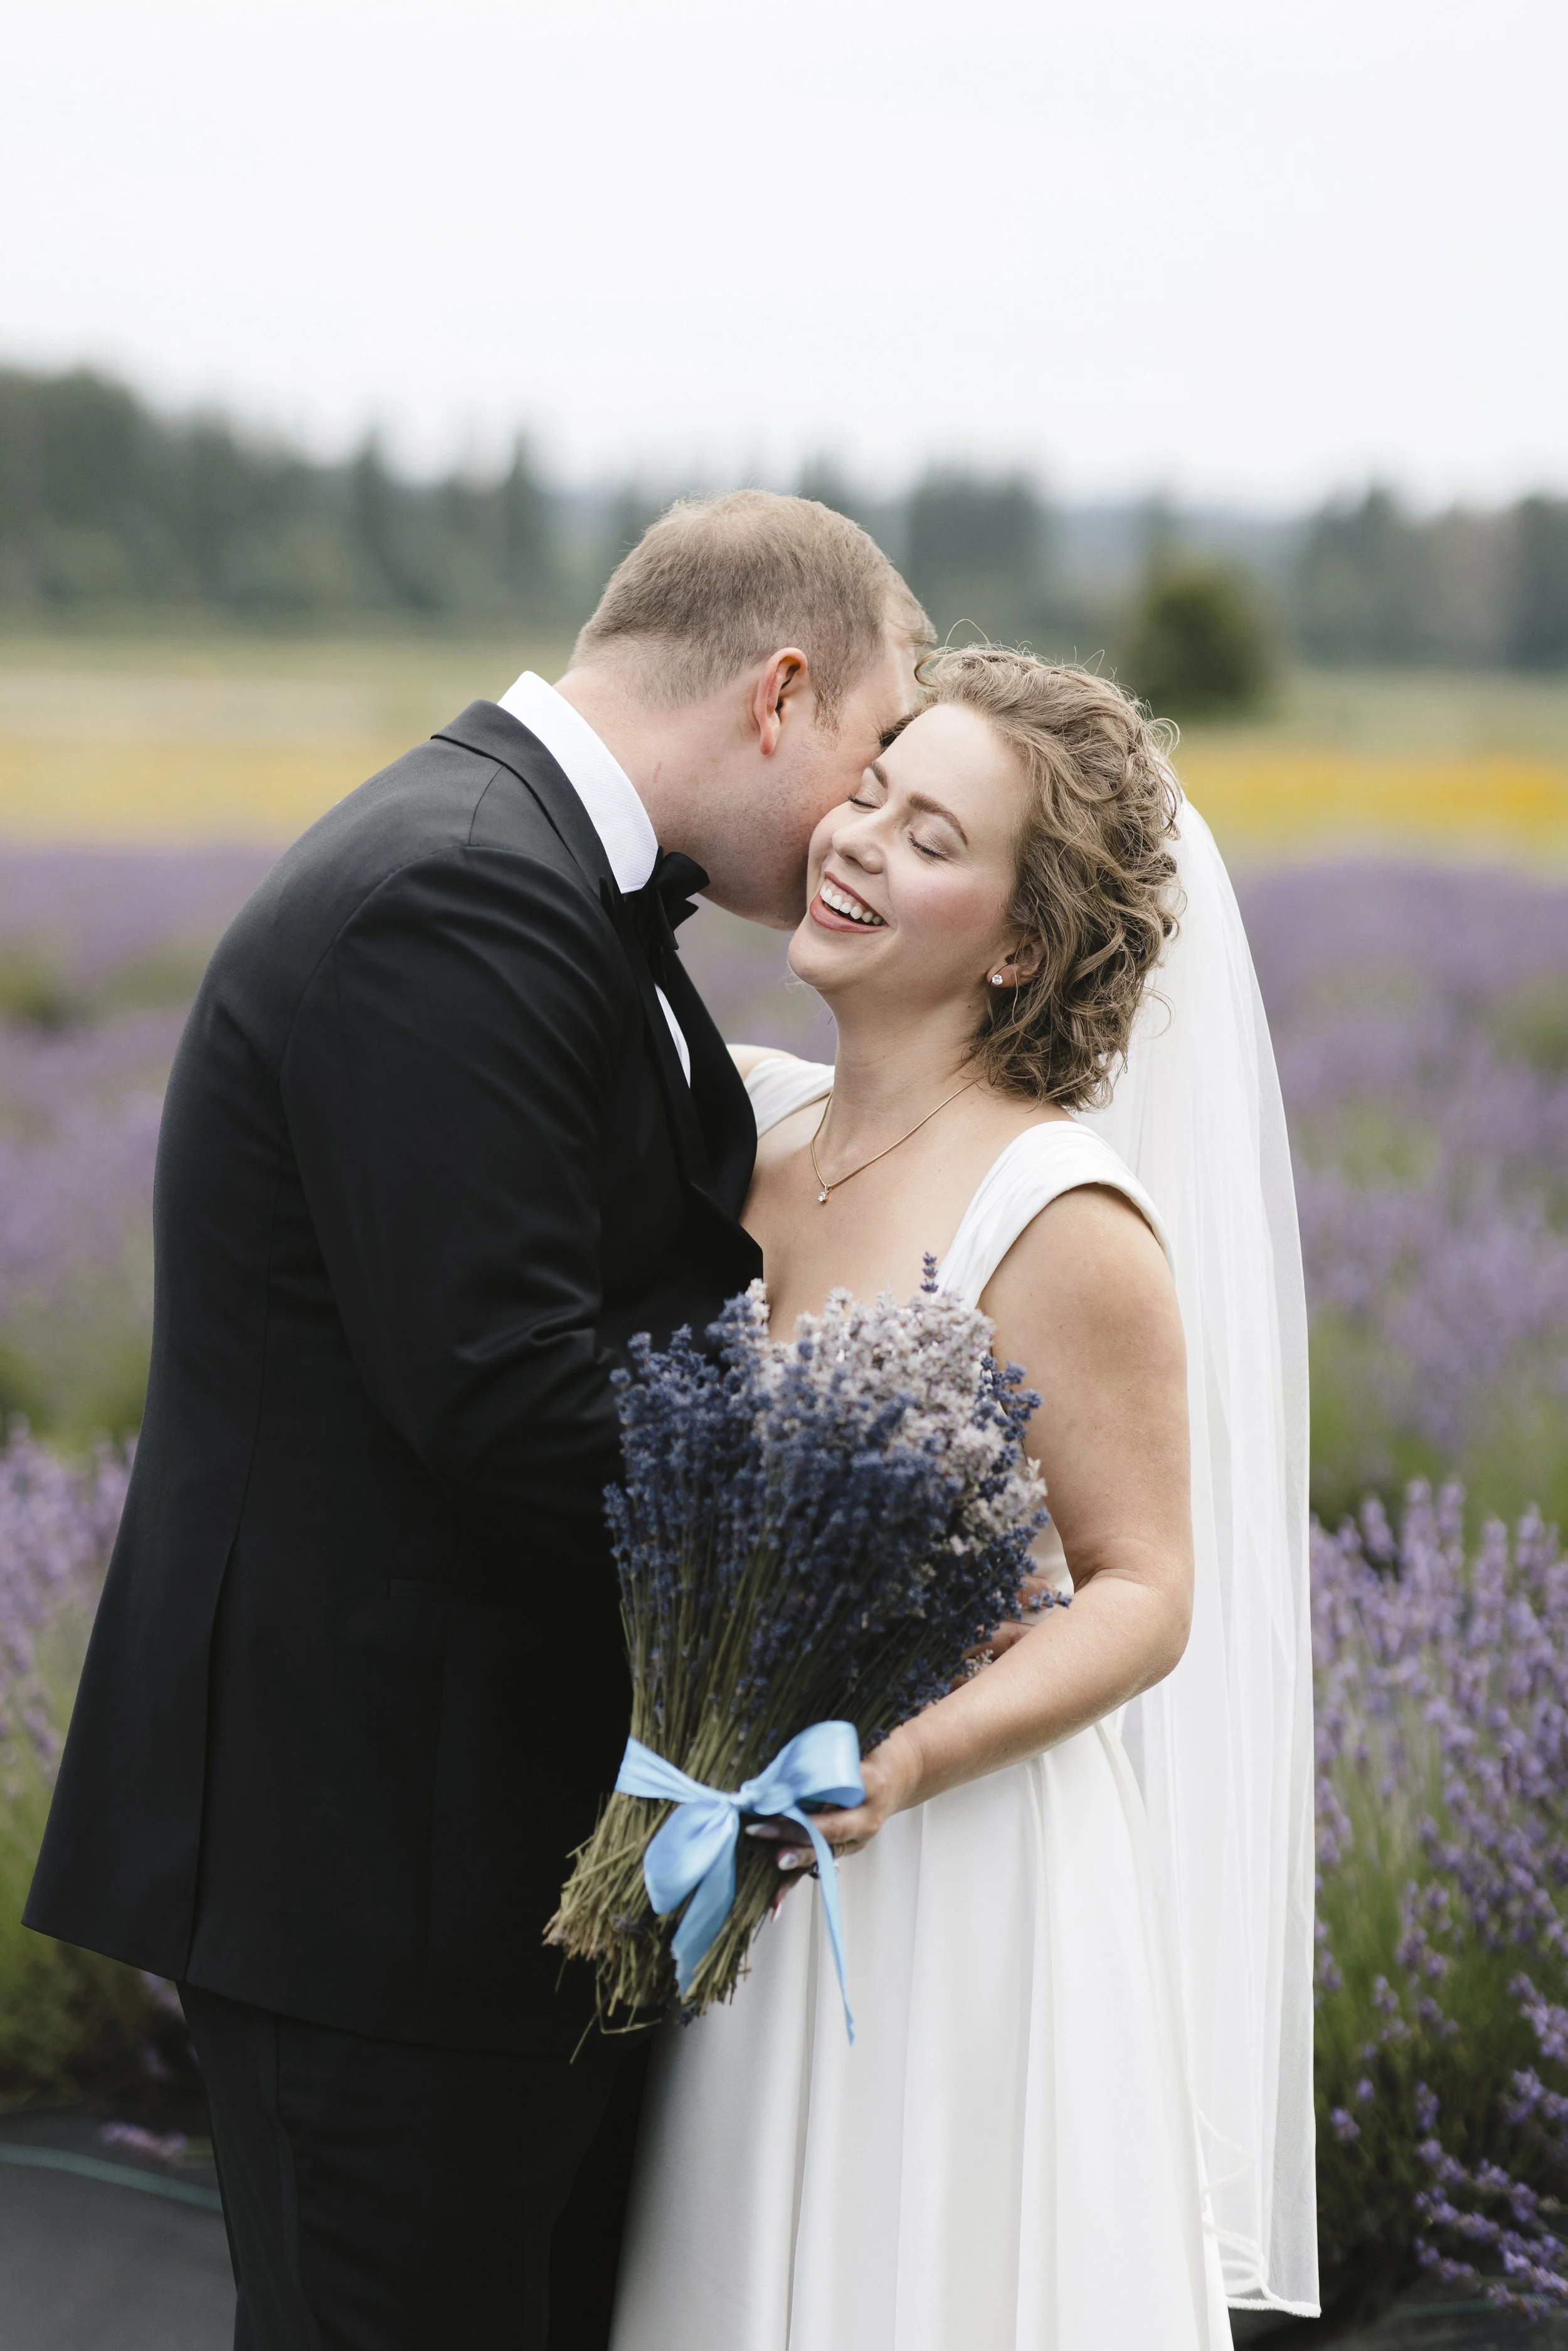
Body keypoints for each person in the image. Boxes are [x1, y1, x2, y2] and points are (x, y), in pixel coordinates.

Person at [23, 491, 928, 2350]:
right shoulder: (457, 887)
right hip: (376, 1872)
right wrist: (858, 1560)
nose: (862, 813)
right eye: (872, 746)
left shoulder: (535, 873)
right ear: (778, 691)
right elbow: (508, 1403)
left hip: (466, 1856)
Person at [610, 647, 1320, 2349]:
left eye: (928, 836)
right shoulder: (751, 1126)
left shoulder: (1060, 1208)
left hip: (943, 1882)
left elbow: (1144, 1587)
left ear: (1019, 944)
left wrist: (898, 1762)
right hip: (729, 1855)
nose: (853, 842)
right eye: (867, 791)